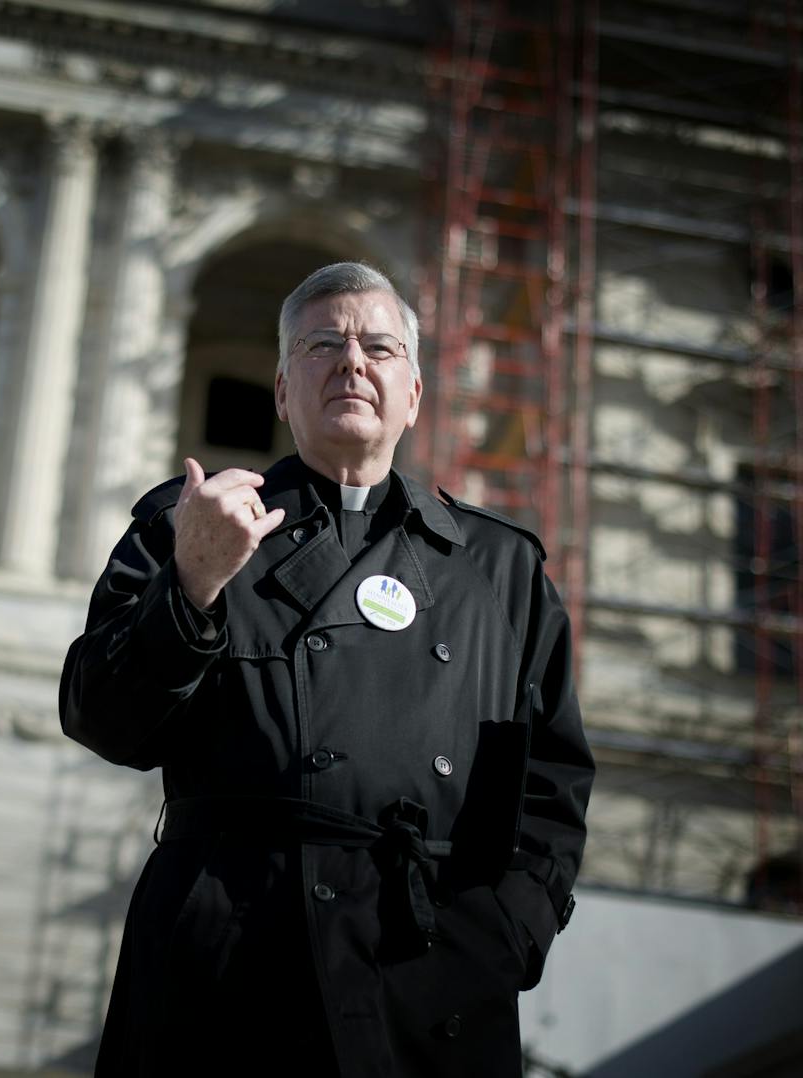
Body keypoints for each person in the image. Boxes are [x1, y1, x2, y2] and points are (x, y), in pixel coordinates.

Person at [60, 262, 594, 1077]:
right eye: (323, 344)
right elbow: (100, 718)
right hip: (230, 955)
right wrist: (194, 583)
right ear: (281, 391)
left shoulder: (499, 567)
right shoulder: (189, 525)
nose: (353, 362)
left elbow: (553, 788)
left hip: (426, 963)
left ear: (413, 393)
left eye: (380, 347)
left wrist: (504, 936)